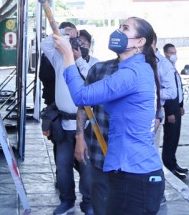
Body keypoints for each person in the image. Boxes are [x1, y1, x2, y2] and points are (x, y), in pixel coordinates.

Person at [54, 17, 165, 215]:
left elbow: (81, 97)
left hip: (135, 175)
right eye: (119, 27)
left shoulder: (132, 73)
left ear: (140, 42)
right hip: (128, 171)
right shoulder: (135, 70)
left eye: (125, 28)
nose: (118, 32)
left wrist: (68, 57)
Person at [42, 22, 97, 215]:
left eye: (82, 43)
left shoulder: (95, 64)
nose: (78, 45)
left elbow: (90, 77)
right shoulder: (59, 59)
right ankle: (67, 201)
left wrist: (78, 59)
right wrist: (64, 34)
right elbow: (45, 45)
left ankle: (89, 203)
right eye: (75, 42)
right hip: (64, 124)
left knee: (87, 168)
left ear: (89, 45)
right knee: (62, 165)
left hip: (88, 125)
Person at [75, 57, 120, 215]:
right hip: (100, 154)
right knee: (99, 205)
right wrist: (79, 137)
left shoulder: (146, 70)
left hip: (130, 161)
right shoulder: (99, 69)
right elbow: (84, 105)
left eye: (126, 30)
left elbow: (157, 114)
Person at [161, 43, 187, 178]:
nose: (174, 55)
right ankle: (169, 165)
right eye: (171, 52)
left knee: (175, 137)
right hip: (170, 110)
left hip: (177, 107)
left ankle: (173, 162)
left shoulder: (173, 67)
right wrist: (170, 112)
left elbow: (178, 89)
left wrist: (181, 105)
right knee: (170, 138)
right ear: (165, 53)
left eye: (175, 52)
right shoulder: (165, 67)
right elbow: (168, 92)